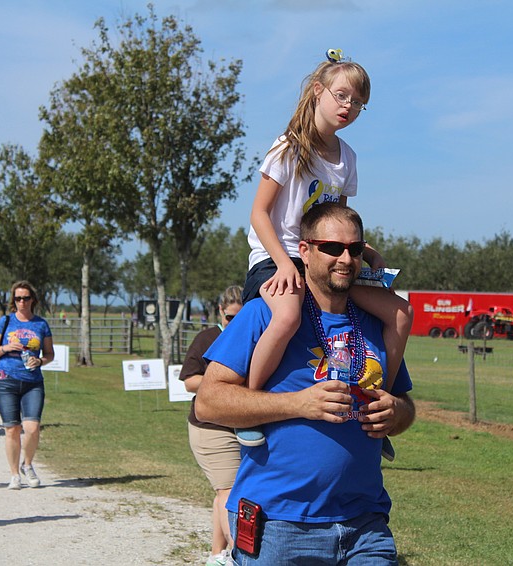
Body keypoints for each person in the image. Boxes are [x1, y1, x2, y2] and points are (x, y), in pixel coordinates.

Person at [196, 203, 416, 564]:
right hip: (280, 526)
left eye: (354, 249)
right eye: (332, 248)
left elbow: (405, 404)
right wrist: (298, 403)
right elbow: (208, 402)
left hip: (365, 524)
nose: (345, 258)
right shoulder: (264, 313)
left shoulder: (375, 323)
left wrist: (397, 412)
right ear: (304, 251)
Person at [239, 49, 413, 448]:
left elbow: (339, 222)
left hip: (325, 258)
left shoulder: (347, 157)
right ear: (318, 91)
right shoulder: (289, 147)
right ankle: (249, 407)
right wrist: (283, 264)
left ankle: (374, 408)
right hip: (278, 255)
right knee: (285, 316)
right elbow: (259, 213)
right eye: (342, 96)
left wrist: (364, 251)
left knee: (401, 313)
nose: (348, 107)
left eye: (357, 103)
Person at [180, 286, 244, 566]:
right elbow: (189, 381)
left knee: (226, 492)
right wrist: (222, 384)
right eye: (230, 318)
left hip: (242, 425)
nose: (234, 324)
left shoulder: (252, 336)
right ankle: (239, 554)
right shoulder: (207, 338)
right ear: (220, 312)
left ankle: (217, 555)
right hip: (210, 427)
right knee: (229, 491)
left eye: (241, 319)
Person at [0, 281, 54, 490]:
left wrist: (40, 361)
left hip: (32, 381)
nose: (22, 302)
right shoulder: (5, 322)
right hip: (5, 380)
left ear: (33, 299)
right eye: (17, 298)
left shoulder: (41, 324)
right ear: (13, 301)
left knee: (32, 428)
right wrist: (6, 347)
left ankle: (28, 464)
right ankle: (14, 474)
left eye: (25, 298)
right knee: (12, 429)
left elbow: (50, 354)